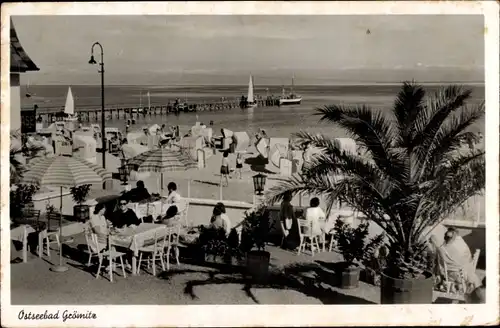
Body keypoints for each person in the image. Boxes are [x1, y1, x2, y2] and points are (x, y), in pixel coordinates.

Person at [431, 229, 481, 293]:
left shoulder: (445, 248)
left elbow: (443, 263)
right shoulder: (461, 244)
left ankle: (447, 284)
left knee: (440, 265)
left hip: (455, 275)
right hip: (466, 274)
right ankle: (458, 286)